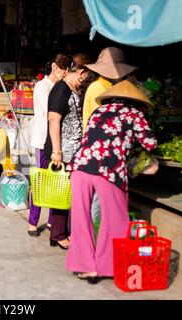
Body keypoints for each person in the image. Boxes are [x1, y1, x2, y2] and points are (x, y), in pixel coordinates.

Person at [65, 80, 157, 284]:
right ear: (135, 101)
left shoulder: (99, 111)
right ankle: (108, 266)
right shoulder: (134, 114)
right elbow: (150, 143)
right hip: (109, 169)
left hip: (80, 166)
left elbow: (91, 137)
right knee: (115, 219)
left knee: (81, 219)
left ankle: (87, 268)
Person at [81, 47, 138, 238]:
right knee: (98, 206)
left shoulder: (103, 87)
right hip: (99, 156)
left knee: (98, 205)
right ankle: (97, 244)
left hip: (99, 154)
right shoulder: (100, 89)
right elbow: (107, 125)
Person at [43, 53, 92, 250]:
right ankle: (58, 234)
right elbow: (53, 119)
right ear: (81, 72)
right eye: (88, 75)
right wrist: (57, 151)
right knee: (60, 192)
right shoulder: (61, 89)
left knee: (65, 191)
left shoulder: (72, 89)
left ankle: (58, 230)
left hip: (72, 149)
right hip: (61, 149)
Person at [27, 53, 70, 237]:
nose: (64, 72)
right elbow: (51, 114)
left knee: (57, 182)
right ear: (54, 66)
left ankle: (53, 221)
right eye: (62, 68)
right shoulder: (42, 87)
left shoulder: (61, 87)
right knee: (42, 181)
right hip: (43, 140)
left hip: (57, 141)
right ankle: (32, 222)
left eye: (67, 69)